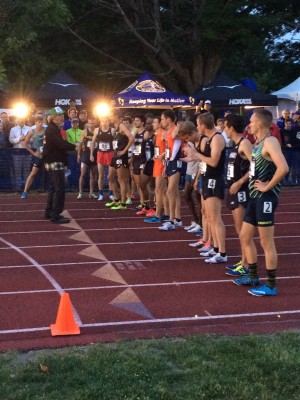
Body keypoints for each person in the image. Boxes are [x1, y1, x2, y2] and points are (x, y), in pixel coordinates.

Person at [233, 109, 289, 296]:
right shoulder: (257, 143)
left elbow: (283, 168)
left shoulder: (271, 141)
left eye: (251, 121)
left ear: (260, 124)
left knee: (266, 242)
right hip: (254, 197)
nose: (249, 124)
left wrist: (267, 186)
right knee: (244, 236)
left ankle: (271, 285)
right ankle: (253, 276)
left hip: (266, 198)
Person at [181, 113, 227, 263]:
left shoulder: (216, 139)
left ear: (202, 125)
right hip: (207, 179)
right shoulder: (207, 140)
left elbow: (213, 162)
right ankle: (214, 247)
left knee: (215, 218)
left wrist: (195, 154)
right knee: (208, 215)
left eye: (197, 124)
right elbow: (204, 162)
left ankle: (222, 252)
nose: (196, 127)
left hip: (215, 179)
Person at [223, 113, 252, 276]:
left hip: (241, 191)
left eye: (225, 127)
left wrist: (240, 182)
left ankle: (246, 264)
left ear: (231, 128)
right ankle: (243, 261)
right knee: (238, 228)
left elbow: (256, 166)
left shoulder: (245, 143)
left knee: (243, 230)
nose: (223, 130)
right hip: (233, 190)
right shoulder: (235, 144)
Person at [43, 106, 78, 224]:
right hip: (55, 161)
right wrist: (74, 146)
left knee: (53, 188)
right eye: (59, 115)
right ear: (53, 117)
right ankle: (55, 215)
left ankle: (49, 212)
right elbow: (61, 144)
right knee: (59, 188)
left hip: (52, 161)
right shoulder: (52, 129)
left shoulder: (52, 128)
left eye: (62, 115)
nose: (62, 117)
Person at [158, 110, 184, 231]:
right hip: (169, 162)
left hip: (176, 162)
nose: (161, 121)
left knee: (170, 192)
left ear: (168, 119)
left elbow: (185, 137)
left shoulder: (176, 129)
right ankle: (178, 219)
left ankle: (171, 220)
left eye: (162, 119)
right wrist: (165, 161)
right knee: (174, 192)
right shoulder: (167, 132)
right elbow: (170, 148)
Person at [108, 108, 135, 210]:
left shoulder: (122, 126)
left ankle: (123, 203)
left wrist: (124, 151)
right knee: (110, 177)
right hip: (115, 155)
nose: (109, 117)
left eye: (111, 115)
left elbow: (132, 138)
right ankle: (116, 199)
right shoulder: (115, 126)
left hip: (121, 156)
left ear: (116, 116)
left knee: (121, 180)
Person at [21, 115, 46, 198]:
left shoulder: (46, 130)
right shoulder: (32, 131)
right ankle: (25, 191)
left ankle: (55, 191)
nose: (41, 124)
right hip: (38, 154)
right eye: (39, 122)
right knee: (33, 173)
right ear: (35, 123)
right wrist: (33, 153)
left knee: (52, 172)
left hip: (47, 154)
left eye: (42, 122)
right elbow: (25, 143)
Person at [76, 117, 98, 199]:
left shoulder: (96, 131)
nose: (91, 125)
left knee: (93, 174)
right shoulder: (84, 132)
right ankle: (80, 192)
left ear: (95, 123)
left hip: (94, 154)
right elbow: (80, 144)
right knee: (83, 174)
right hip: (85, 154)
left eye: (92, 123)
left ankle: (91, 192)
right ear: (88, 123)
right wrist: (78, 155)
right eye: (89, 123)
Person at [9, 117, 32, 190]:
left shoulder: (29, 128)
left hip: (27, 152)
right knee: (17, 170)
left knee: (27, 170)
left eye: (22, 119)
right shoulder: (13, 129)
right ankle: (18, 186)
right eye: (20, 119)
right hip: (17, 152)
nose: (21, 121)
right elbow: (11, 140)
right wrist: (19, 139)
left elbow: (32, 139)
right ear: (17, 120)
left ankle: (26, 186)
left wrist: (26, 139)